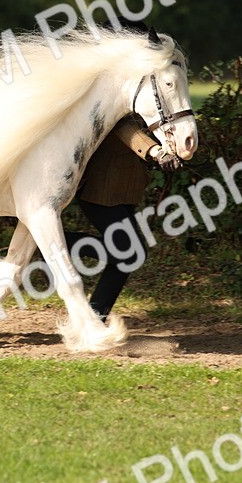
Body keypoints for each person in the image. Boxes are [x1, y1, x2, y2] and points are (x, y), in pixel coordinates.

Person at [64, 31, 184, 320]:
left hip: (124, 186)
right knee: (130, 253)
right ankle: (93, 314)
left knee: (128, 253)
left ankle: (52, 246)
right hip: (103, 187)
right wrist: (154, 152)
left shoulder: (141, 81)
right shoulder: (114, 86)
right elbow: (123, 128)